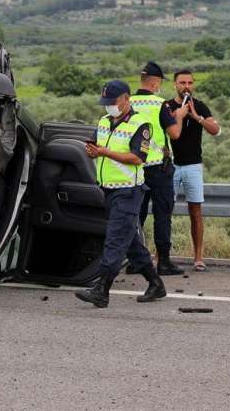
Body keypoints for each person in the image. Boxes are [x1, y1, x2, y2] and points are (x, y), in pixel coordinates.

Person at [75, 80, 167, 308]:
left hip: (129, 190)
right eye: (105, 102)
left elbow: (138, 158)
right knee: (129, 240)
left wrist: (105, 151)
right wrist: (93, 152)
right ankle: (155, 283)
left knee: (116, 239)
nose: (108, 106)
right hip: (108, 189)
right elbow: (98, 147)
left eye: (113, 102)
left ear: (126, 99)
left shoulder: (141, 124)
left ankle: (102, 289)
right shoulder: (104, 121)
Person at [130, 61, 189, 275]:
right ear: (155, 83)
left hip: (134, 166)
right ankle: (163, 262)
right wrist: (179, 117)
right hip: (159, 168)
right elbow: (174, 134)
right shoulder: (159, 104)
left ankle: (137, 261)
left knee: (137, 214)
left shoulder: (129, 103)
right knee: (162, 214)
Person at [164, 69, 220, 272]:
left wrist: (196, 116)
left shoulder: (200, 105)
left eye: (189, 83)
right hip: (169, 166)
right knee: (165, 211)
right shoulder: (167, 106)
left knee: (195, 212)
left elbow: (216, 130)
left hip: (193, 166)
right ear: (175, 85)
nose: (186, 86)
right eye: (182, 82)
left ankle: (198, 257)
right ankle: (162, 256)